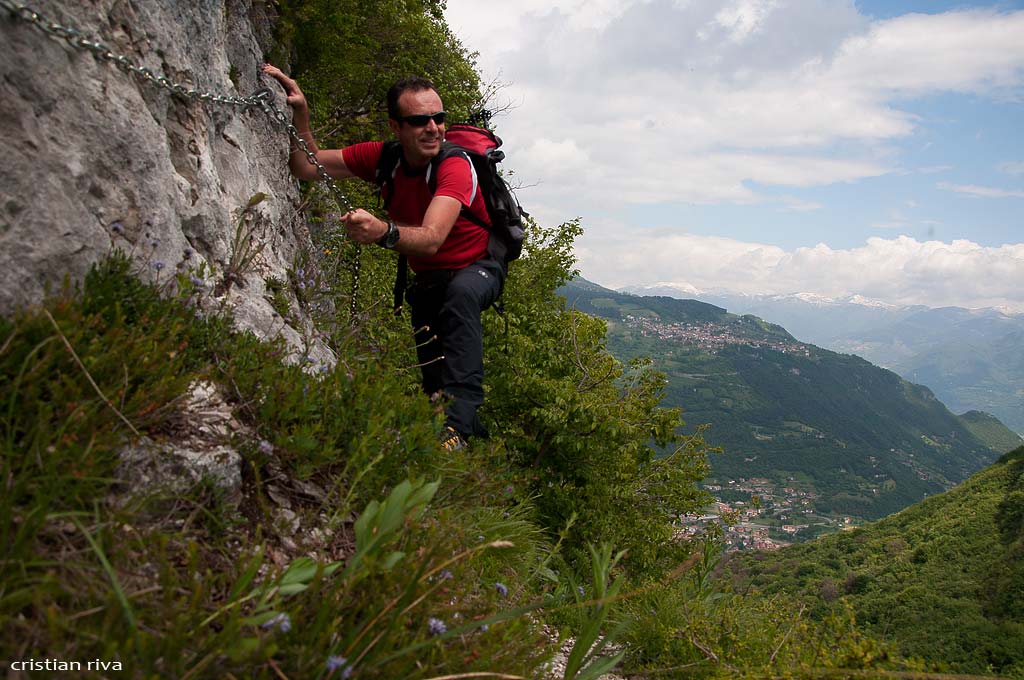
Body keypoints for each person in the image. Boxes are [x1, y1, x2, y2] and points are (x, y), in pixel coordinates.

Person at [261, 64, 504, 451]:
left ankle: (459, 428)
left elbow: (430, 240)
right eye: (420, 120)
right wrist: (301, 114)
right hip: (430, 279)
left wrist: (383, 231)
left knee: (460, 297)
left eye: (439, 118)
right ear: (396, 128)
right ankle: (445, 449)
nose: (433, 128)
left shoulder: (455, 166)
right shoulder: (384, 158)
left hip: (478, 268)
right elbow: (307, 165)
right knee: (432, 368)